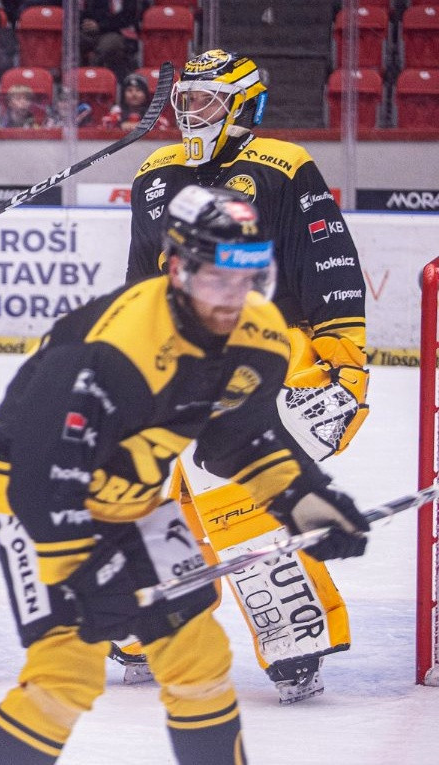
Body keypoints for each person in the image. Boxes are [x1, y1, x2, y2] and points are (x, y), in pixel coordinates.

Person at [0, 185, 370, 763]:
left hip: (133, 496)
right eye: (218, 279)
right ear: (178, 270)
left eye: (250, 277)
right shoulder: (112, 349)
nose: (234, 299)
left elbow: (237, 436)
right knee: (66, 671)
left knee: (198, 658)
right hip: (34, 504)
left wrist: (301, 496)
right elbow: (40, 478)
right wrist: (89, 571)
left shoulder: (259, 330)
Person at [125, 49, 370, 704]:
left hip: (269, 359)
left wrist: (345, 357)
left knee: (230, 486)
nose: (189, 114)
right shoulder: (154, 174)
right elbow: (141, 281)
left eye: (205, 102)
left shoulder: (283, 166)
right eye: (184, 102)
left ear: (241, 107)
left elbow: (328, 261)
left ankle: (296, 633)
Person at [101, 72, 170, 132]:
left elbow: (164, 125)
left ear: (145, 94)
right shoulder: (117, 111)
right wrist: (120, 125)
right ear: (123, 94)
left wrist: (143, 126)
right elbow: (104, 125)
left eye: (138, 90)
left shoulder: (153, 112)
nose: (134, 94)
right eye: (129, 90)